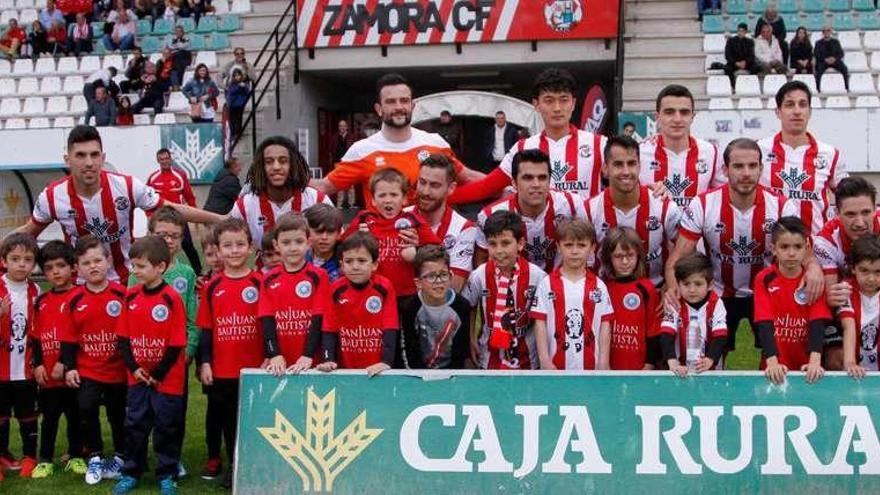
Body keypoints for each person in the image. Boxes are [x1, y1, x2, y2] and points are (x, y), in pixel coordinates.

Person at [16, 125, 224, 282]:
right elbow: (28, 232)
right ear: (67, 159)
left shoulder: (126, 186)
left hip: (127, 281)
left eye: (94, 155)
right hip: (80, 284)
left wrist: (219, 219)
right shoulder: (52, 196)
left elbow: (170, 208)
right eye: (80, 155)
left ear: (103, 157)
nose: (89, 162)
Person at [665, 138, 800, 359]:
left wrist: (813, 270)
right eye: (738, 166)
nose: (746, 173)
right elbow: (676, 260)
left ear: (761, 169)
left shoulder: (782, 205)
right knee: (709, 359)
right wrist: (672, 291)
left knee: (778, 355)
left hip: (767, 291)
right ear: (726, 170)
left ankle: (773, 393)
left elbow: (805, 255)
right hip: (718, 291)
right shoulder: (704, 204)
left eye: (752, 166)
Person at [310, 73, 484, 210]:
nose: (399, 107)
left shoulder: (436, 144)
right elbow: (324, 187)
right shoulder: (362, 150)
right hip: (385, 247)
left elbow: (467, 177)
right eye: (391, 102)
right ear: (379, 109)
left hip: (432, 247)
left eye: (404, 101)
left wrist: (508, 184)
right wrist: (291, 177)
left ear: (412, 106)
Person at [450, 68, 606, 203]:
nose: (557, 108)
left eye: (564, 100)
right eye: (549, 100)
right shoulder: (523, 148)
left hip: (585, 236)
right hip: (535, 236)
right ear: (536, 105)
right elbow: (486, 187)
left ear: (573, 103)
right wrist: (437, 199)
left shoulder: (599, 145)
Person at [113, 236, 187, 495]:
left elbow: (177, 343)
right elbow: (123, 338)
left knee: (167, 426)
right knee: (135, 424)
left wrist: (157, 374)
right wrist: (134, 369)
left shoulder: (171, 298)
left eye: (141, 266)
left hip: (167, 379)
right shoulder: (130, 296)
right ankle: (132, 471)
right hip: (137, 378)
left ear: (161, 267)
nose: (135, 271)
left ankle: (167, 473)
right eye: (133, 265)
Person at [197, 219, 264, 490]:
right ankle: (235, 464)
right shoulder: (212, 286)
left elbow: (270, 325)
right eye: (228, 245)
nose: (234, 250)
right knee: (228, 420)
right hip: (223, 369)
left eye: (240, 244)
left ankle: (256, 463)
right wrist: (205, 362)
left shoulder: (261, 282)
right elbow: (206, 329)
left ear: (250, 248)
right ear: (218, 250)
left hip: (255, 367)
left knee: (255, 418)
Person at [60, 236, 127, 485]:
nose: (93, 266)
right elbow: (67, 338)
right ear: (78, 268)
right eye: (86, 262)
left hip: (118, 370)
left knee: (117, 414)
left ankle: (121, 456)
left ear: (108, 260)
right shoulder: (74, 299)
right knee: (86, 410)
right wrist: (70, 367)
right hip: (88, 369)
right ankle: (96, 456)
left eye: (98, 260)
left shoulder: (122, 294)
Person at [585, 135, 681, 287]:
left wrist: (669, 285)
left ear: (640, 166)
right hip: (606, 298)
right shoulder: (589, 210)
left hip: (655, 295)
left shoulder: (664, 206)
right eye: (618, 164)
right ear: (605, 169)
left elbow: (685, 251)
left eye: (631, 164)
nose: (626, 171)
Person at [758, 81, 847, 236]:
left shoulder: (830, 154)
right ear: (778, 111)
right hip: (768, 248)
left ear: (810, 111)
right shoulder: (759, 150)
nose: (797, 111)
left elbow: (849, 198)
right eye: (790, 104)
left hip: (815, 250)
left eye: (802, 104)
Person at [463, 211, 548, 370]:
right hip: (489, 358)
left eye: (505, 243)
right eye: (492, 244)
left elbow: (543, 318)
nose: (499, 251)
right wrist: (471, 339)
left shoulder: (538, 277)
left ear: (520, 244)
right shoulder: (479, 276)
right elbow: (470, 306)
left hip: (528, 358)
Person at [476, 149, 585, 273]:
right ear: (514, 183)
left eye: (542, 178)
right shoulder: (489, 215)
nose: (536, 184)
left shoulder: (573, 205)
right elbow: (481, 262)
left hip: (560, 285)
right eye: (528, 178)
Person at [29, 241, 86, 479]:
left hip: (73, 372)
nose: (55, 272)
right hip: (49, 374)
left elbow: (78, 335)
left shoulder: (82, 296)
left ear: (73, 267)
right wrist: (39, 364)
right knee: (49, 418)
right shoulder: (41, 301)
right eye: (49, 267)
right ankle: (45, 459)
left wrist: (66, 362)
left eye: (61, 266)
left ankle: (76, 456)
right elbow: (37, 337)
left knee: (76, 416)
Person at [341, 168, 441, 298]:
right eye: (382, 195)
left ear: (404, 199)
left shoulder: (413, 220)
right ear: (373, 200)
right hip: (372, 291)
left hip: (407, 293)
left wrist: (417, 252)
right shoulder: (364, 219)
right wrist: (357, 238)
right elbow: (342, 247)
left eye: (393, 195)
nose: (388, 200)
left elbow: (438, 251)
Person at [754, 217, 830, 385]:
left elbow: (817, 322)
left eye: (797, 247)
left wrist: (815, 362)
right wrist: (772, 362)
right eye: (784, 247)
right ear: (774, 249)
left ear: (806, 248)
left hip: (807, 366)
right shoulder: (764, 279)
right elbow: (764, 323)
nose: (791, 253)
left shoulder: (814, 279)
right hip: (775, 365)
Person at [532, 219, 613, 371]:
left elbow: (605, 325)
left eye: (581, 245)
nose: (574, 251)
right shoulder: (547, 284)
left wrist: (603, 361)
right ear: (558, 247)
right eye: (568, 245)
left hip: (591, 368)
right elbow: (539, 323)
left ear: (592, 247)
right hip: (556, 368)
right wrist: (544, 360)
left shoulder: (599, 286)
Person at [315, 232, 399, 377]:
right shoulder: (335, 289)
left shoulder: (384, 287)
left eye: (361, 261)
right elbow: (329, 328)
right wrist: (328, 359)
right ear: (341, 265)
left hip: (378, 370)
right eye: (349, 261)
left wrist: (386, 362)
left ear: (374, 264)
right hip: (346, 370)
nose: (355, 266)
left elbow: (390, 326)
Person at [230, 136, 332, 251]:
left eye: (283, 161)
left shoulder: (317, 200)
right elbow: (229, 246)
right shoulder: (244, 206)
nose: (276, 167)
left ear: (293, 164)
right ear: (261, 167)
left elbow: (337, 241)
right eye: (269, 162)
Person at [259, 214, 329, 374]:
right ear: (276, 245)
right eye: (286, 242)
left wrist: (307, 355)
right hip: (280, 361)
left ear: (308, 243)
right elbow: (267, 319)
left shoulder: (319, 276)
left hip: (311, 360)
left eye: (299, 241)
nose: (293, 248)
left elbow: (319, 318)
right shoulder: (268, 279)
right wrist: (274, 354)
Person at [639, 85, 725, 209]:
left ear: (692, 117)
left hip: (698, 228)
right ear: (657, 117)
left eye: (684, 112)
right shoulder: (640, 153)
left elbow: (724, 194)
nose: (677, 119)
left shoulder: (712, 153)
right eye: (669, 112)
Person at [0, 234, 41, 478]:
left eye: (27, 259)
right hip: (1, 369)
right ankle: (2, 454)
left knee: (28, 414)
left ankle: (29, 456)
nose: (21, 264)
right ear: (4, 261)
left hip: (26, 368)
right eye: (15, 259)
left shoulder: (36, 290)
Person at [407, 154, 477, 291]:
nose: (425, 191)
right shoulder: (400, 218)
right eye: (422, 182)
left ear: (451, 188)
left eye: (434, 185)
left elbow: (454, 287)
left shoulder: (464, 228)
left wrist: (419, 250)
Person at [399, 245, 472, 369]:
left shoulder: (462, 306)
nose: (438, 281)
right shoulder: (410, 307)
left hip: (452, 373)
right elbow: (408, 350)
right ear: (418, 283)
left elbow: (461, 352)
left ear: (450, 276)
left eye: (443, 274)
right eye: (431, 276)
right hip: (418, 374)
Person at [600, 227, 662, 370]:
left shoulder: (646, 288)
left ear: (638, 256)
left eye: (630, 255)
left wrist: (649, 364)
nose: (625, 261)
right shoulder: (602, 288)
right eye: (618, 256)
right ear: (608, 257)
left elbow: (653, 330)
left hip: (640, 368)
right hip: (606, 368)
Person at [661, 252, 728, 377]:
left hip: (710, 369)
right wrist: (672, 361)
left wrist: (710, 360)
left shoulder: (717, 304)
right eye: (686, 284)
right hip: (680, 369)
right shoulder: (674, 303)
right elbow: (666, 334)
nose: (692, 290)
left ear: (710, 285)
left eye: (698, 284)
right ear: (678, 284)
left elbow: (720, 336)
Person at [146, 148, 203, 275]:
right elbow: (147, 199)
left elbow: (189, 197)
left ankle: (199, 273)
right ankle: (159, 273)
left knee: (188, 245)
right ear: (157, 160)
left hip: (178, 219)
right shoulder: (153, 178)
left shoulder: (180, 175)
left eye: (166, 158)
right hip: (161, 221)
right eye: (161, 159)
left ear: (171, 159)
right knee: (158, 247)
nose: (164, 161)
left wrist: (196, 218)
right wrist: (149, 216)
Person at [838, 234, 880, 379]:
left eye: (878, 272)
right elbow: (848, 325)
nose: (871, 278)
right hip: (857, 365)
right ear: (853, 268)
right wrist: (850, 363)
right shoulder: (845, 289)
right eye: (864, 270)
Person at [304, 203, 343, 282]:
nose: (324, 237)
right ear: (307, 232)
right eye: (319, 232)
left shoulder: (345, 263)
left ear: (339, 233)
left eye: (330, 232)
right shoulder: (300, 259)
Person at [329, 119, 357, 207]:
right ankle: (339, 204)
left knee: (351, 184)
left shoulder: (352, 137)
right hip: (338, 162)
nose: (342, 128)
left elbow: (355, 149)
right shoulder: (335, 138)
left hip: (349, 162)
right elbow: (331, 150)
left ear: (347, 127)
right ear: (338, 127)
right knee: (339, 183)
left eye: (344, 126)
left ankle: (351, 203)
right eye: (340, 126)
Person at [814, 26, 849, 91]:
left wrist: (834, 59)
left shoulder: (836, 42)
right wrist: (825, 59)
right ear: (823, 33)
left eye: (828, 31)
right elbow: (816, 54)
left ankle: (846, 87)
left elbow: (841, 53)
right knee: (818, 70)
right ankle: (818, 88)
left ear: (830, 32)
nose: (827, 32)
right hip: (823, 61)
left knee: (844, 69)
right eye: (825, 31)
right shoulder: (818, 43)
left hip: (835, 61)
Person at [225, 69, 250, 141]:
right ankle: (232, 133)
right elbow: (231, 92)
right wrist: (239, 87)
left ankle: (237, 134)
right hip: (231, 104)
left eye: (238, 75)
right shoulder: (231, 84)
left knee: (238, 119)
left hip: (239, 105)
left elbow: (247, 92)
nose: (237, 77)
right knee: (231, 120)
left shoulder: (244, 84)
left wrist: (244, 87)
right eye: (235, 76)